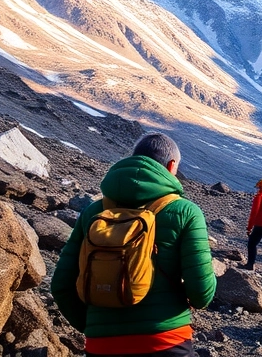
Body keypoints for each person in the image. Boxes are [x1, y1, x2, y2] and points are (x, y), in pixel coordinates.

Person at [52, 133, 215, 357]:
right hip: (165, 341)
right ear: (171, 166)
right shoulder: (186, 212)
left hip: (102, 346)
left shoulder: (93, 212)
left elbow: (61, 285)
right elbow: (201, 294)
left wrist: (96, 328)